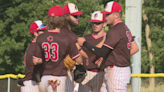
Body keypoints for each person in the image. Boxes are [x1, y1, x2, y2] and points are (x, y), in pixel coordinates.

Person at [77, 1, 139, 92]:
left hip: (117, 71)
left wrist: (84, 44)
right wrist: (116, 55)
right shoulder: (125, 28)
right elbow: (135, 48)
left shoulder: (115, 30)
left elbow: (101, 52)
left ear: (116, 15)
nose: (105, 17)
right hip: (118, 69)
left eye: (108, 14)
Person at [33, 5, 82, 92]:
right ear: (62, 20)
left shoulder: (41, 37)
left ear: (48, 19)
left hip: (44, 79)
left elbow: (35, 61)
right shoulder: (66, 38)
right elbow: (79, 60)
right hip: (58, 80)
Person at [78, 11, 107, 92]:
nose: (95, 25)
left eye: (98, 23)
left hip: (101, 73)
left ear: (104, 24)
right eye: (93, 22)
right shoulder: (85, 39)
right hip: (86, 73)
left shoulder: (108, 38)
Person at [21, 20, 49, 92]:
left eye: (45, 30)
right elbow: (36, 62)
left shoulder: (35, 45)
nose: (45, 32)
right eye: (43, 30)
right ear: (35, 33)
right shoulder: (35, 46)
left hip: (33, 83)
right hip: (31, 84)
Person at [62, 3, 83, 92]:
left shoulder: (68, 33)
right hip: (63, 74)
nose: (78, 18)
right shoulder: (65, 33)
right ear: (66, 17)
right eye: (75, 16)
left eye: (78, 16)